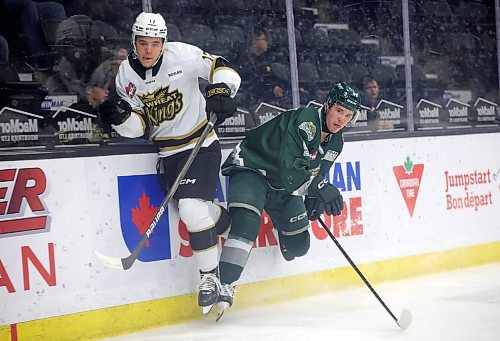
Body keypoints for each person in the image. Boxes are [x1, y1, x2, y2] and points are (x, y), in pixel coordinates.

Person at [98, 12, 241, 314]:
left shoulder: (184, 56)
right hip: (167, 153)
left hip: (200, 143)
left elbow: (221, 66)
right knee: (195, 211)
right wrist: (122, 120)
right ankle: (230, 223)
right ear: (133, 43)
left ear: (163, 42)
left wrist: (221, 89)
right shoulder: (125, 74)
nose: (149, 50)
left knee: (190, 208)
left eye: (155, 43)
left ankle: (209, 278)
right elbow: (140, 126)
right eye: (143, 43)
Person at [216, 81, 361, 315]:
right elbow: (292, 170)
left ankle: (281, 229)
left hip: (283, 186)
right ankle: (223, 283)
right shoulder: (305, 123)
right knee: (246, 224)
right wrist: (320, 187)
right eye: (339, 111)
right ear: (327, 106)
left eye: (348, 115)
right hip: (253, 168)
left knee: (299, 246)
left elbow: (315, 172)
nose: (341, 119)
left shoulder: (336, 140)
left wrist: (313, 196)